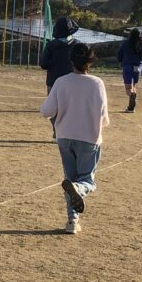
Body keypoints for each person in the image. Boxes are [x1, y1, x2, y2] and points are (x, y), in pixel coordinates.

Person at [40, 43, 109, 234]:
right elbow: (103, 118)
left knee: (69, 178)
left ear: (71, 61)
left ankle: (72, 221)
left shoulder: (61, 82)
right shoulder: (97, 83)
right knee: (87, 181)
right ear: (90, 62)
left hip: (64, 137)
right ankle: (79, 189)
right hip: (89, 137)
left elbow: (46, 111)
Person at [39, 17, 79, 137]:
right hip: (73, 81)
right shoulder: (78, 45)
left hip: (54, 80)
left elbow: (43, 64)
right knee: (70, 107)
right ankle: (67, 131)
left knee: (53, 108)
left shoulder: (51, 45)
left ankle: (57, 129)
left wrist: (54, 64)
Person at [117, 28, 142, 113]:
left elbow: (119, 54)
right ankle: (130, 108)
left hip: (127, 66)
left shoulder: (125, 43)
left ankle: (131, 94)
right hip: (138, 67)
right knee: (133, 85)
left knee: (128, 88)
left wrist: (121, 60)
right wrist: (140, 59)